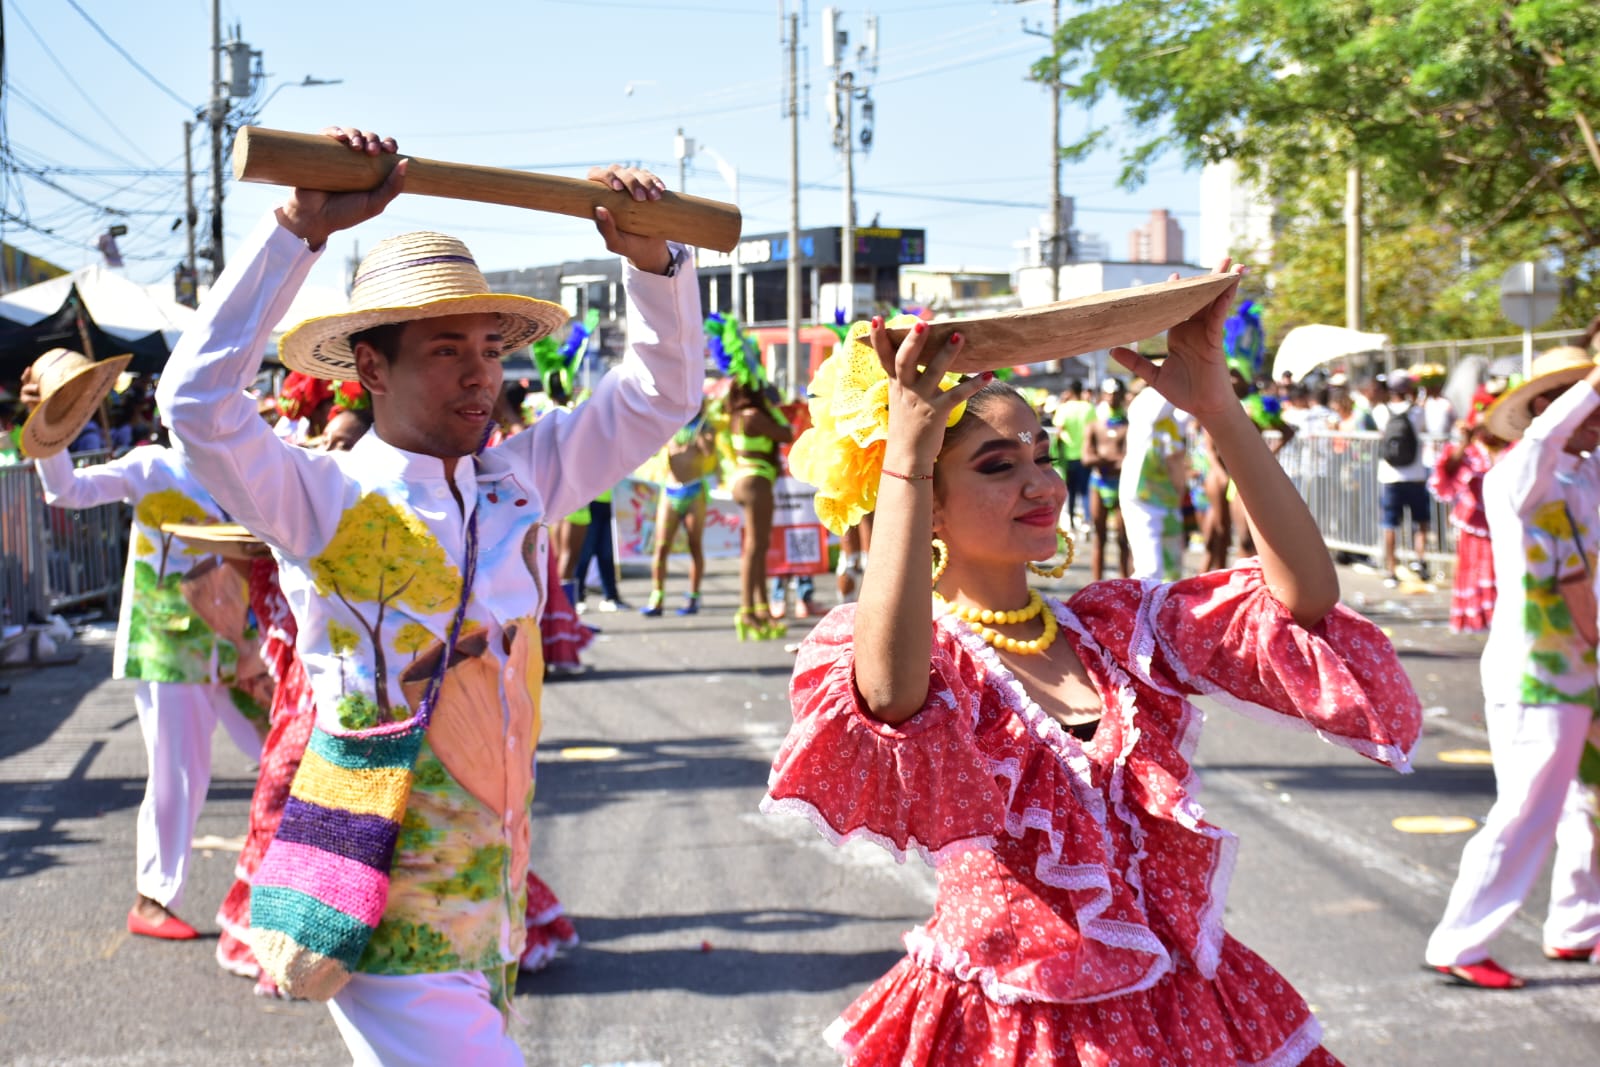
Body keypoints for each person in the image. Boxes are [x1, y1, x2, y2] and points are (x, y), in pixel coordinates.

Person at [765, 271, 1421, 1066]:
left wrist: (1217, 407)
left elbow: (1306, 598)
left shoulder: (1118, 630)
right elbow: (889, 696)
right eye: (997, 465)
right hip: (1018, 1022)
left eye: (1043, 454)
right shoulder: (925, 657)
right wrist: (905, 457)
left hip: (1181, 1007)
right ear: (927, 502)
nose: (1042, 482)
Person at [156, 127, 702, 1065]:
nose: (481, 370)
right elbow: (200, 406)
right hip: (380, 900)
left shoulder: (520, 477)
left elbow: (660, 394)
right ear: (371, 369)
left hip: (493, 898)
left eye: (489, 346)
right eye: (447, 348)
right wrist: (295, 230)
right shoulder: (321, 498)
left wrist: (653, 263)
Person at [21, 357, 266, 943]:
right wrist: (47, 426)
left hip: (240, 646)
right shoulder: (152, 467)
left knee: (286, 753)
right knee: (179, 775)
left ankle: (298, 888)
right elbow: (66, 489)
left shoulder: (253, 474)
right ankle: (152, 899)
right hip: (167, 647)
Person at [1424, 347, 1600, 989]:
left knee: (1591, 804)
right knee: (1527, 808)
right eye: (1584, 401)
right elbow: (1544, 440)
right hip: (1533, 676)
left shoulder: (1586, 474)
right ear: (1543, 409)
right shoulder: (1514, 476)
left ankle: (1579, 926)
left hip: (1585, 669)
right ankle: (1461, 942)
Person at [727, 377, 794, 639]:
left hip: (746, 479)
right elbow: (786, 433)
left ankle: (761, 608)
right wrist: (774, 406)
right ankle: (747, 611)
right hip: (756, 481)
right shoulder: (754, 414)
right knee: (755, 548)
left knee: (759, 547)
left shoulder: (736, 415)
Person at [1427, 399, 1499, 634]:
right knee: (1479, 568)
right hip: (1474, 522)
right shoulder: (1469, 451)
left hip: (1501, 522)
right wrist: (1464, 442)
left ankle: (1498, 615)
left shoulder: (1509, 449)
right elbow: (1446, 472)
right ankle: (1478, 617)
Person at [641, 408, 715, 617]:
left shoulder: (705, 427)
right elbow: (653, 448)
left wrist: (699, 435)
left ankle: (693, 596)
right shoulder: (670, 423)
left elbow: (709, 451)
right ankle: (657, 597)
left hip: (694, 492)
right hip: (670, 492)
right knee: (661, 546)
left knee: (694, 545)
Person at [1119, 379, 1190, 580]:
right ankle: (1143, 609)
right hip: (1143, 496)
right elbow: (1174, 389)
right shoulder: (1145, 403)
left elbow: (1175, 459)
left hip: (1168, 498)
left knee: (1173, 570)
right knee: (1149, 569)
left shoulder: (1174, 421)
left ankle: (1170, 610)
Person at [1372, 371, 1432, 585]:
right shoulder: (1417, 411)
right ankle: (1420, 560)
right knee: (1421, 522)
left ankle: (1391, 569)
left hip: (1389, 476)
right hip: (1415, 475)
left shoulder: (1380, 411)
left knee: (1390, 524)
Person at [1082, 377, 1132, 580]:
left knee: (1123, 538)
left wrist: (1103, 459)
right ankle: (1096, 583)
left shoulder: (1129, 425)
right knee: (1099, 537)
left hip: (1120, 483)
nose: (1111, 398)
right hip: (1099, 483)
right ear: (1103, 395)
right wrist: (1114, 460)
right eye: (1108, 393)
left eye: (1115, 394)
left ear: (1122, 396)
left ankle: (1126, 583)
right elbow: (1086, 457)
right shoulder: (1094, 425)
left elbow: (1131, 457)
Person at [1050, 378, 1094, 529]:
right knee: (1086, 490)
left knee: (1071, 490)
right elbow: (1093, 429)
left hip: (1068, 456)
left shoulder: (1064, 408)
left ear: (1069, 391)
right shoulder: (1088, 408)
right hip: (1086, 455)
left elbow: (1058, 431)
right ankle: (1087, 521)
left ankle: (1071, 521)